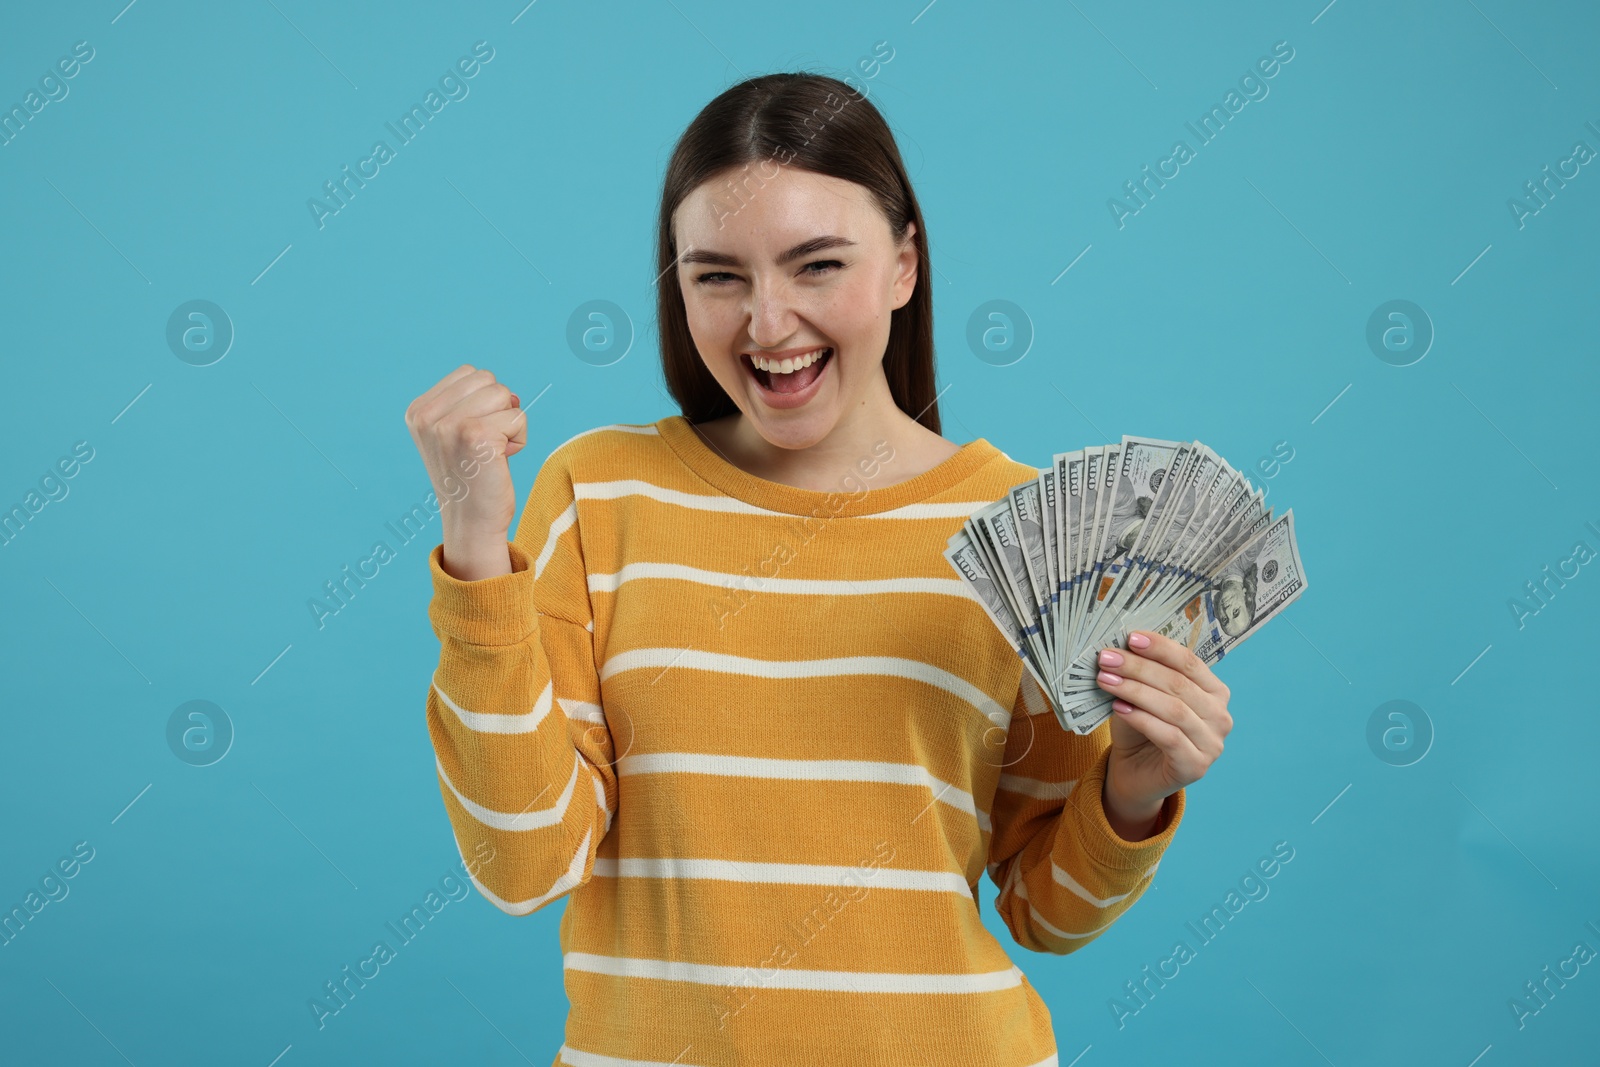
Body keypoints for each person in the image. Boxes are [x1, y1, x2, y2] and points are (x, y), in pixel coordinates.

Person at [405, 71, 1232, 1067]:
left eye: (816, 265)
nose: (767, 323)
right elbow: (523, 861)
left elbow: (1046, 911)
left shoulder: (1023, 532)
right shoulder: (601, 493)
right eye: (717, 276)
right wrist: (477, 554)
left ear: (903, 265)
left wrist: (1130, 794)